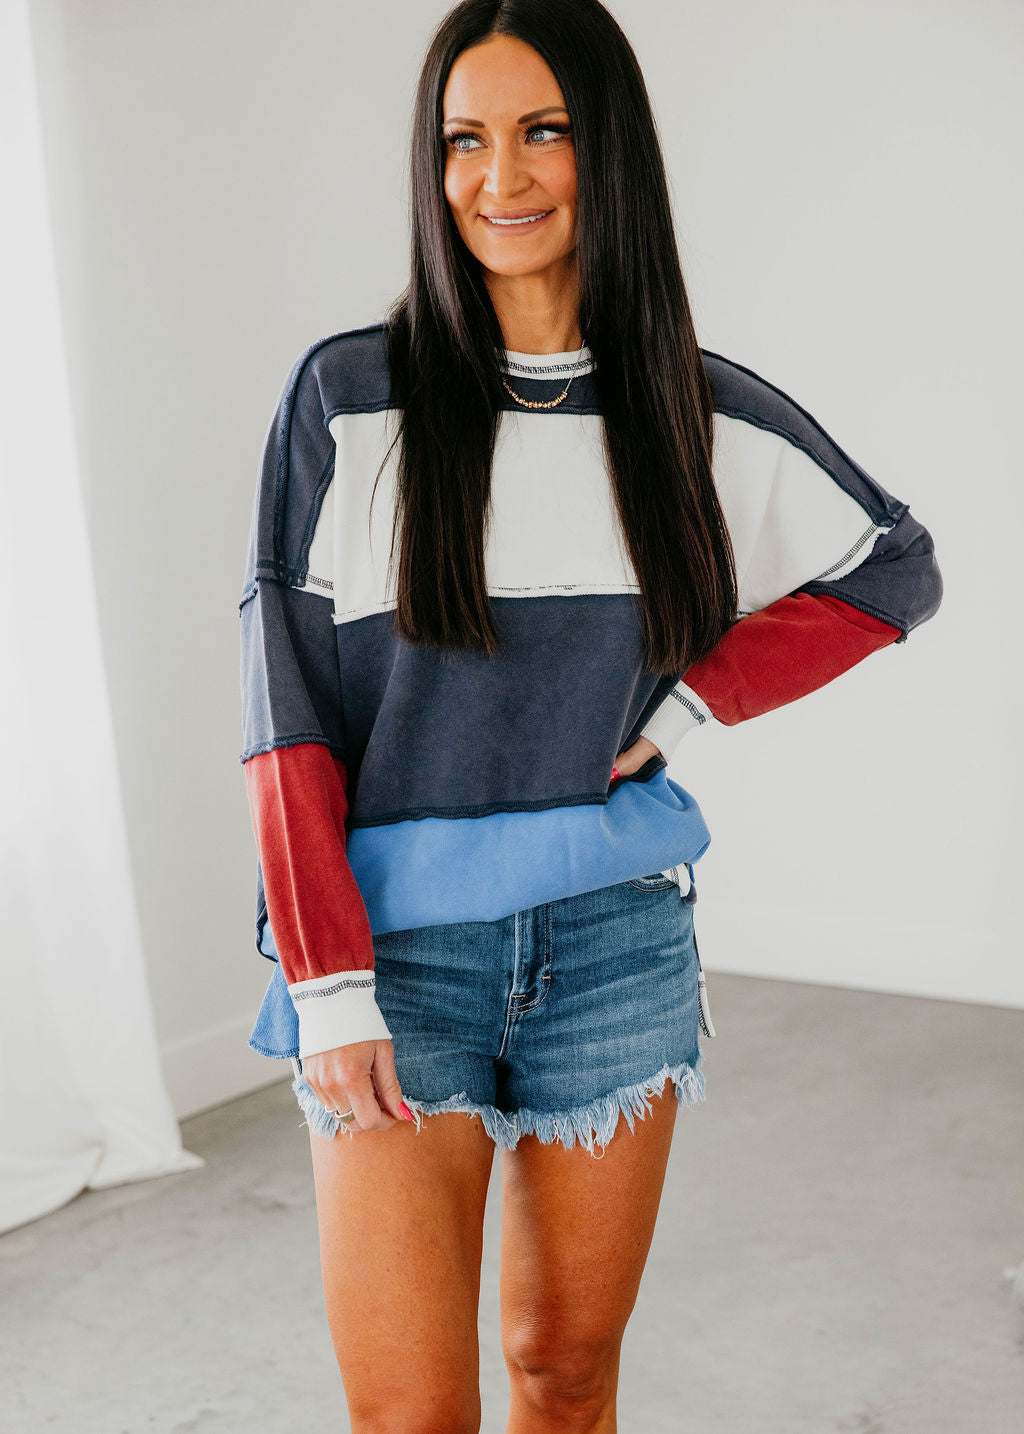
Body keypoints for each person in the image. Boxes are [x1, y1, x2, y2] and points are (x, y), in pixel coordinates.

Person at [237, 1, 943, 1427]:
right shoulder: (348, 398)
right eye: (465, 140)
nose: (500, 176)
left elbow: (894, 565)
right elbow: (286, 716)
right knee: (410, 1413)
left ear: (608, 149)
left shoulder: (696, 411)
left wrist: (689, 708)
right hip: (395, 959)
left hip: (615, 945)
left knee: (566, 1376)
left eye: (544, 131)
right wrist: (329, 988)